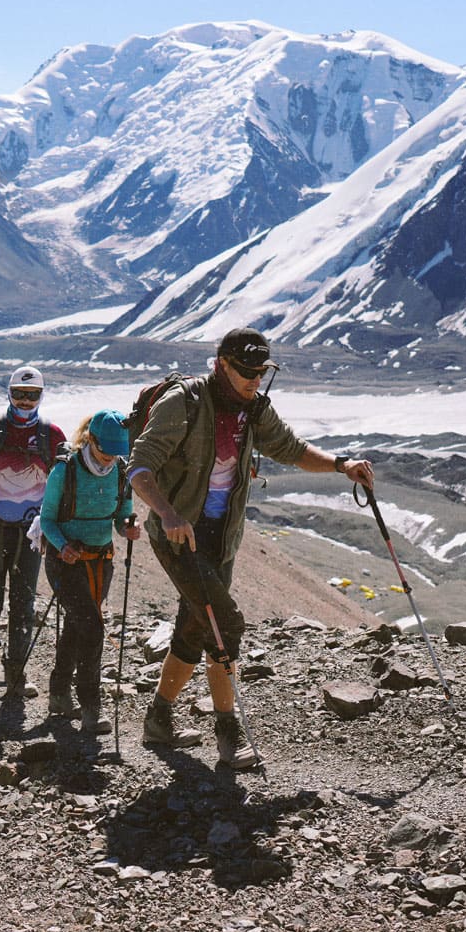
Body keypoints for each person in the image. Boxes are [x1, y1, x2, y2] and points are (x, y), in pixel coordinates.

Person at [130, 328, 375, 769]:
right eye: (246, 371)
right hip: (178, 536)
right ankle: (229, 733)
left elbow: (292, 450)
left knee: (194, 626)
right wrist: (168, 514)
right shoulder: (183, 402)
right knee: (224, 623)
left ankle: (159, 720)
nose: (254, 379)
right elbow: (140, 465)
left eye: (261, 371)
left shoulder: (254, 410)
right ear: (221, 363)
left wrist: (342, 466)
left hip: (221, 539)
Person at [0, 366, 67, 695]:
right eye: (19, 392)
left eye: (32, 394)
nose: (25, 400)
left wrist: (56, 525)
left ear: (41, 395)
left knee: (23, 604)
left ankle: (16, 673)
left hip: (30, 536)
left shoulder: (53, 436)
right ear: (8, 392)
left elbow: (62, 486)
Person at [40, 410, 140, 736]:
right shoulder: (64, 471)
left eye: (116, 452)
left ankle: (58, 694)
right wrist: (62, 545)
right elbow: (47, 520)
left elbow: (122, 517)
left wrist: (129, 528)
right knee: (92, 628)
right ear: (91, 440)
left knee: (78, 624)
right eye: (105, 450)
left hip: (101, 562)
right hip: (64, 561)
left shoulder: (120, 472)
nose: (110, 458)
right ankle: (90, 709)